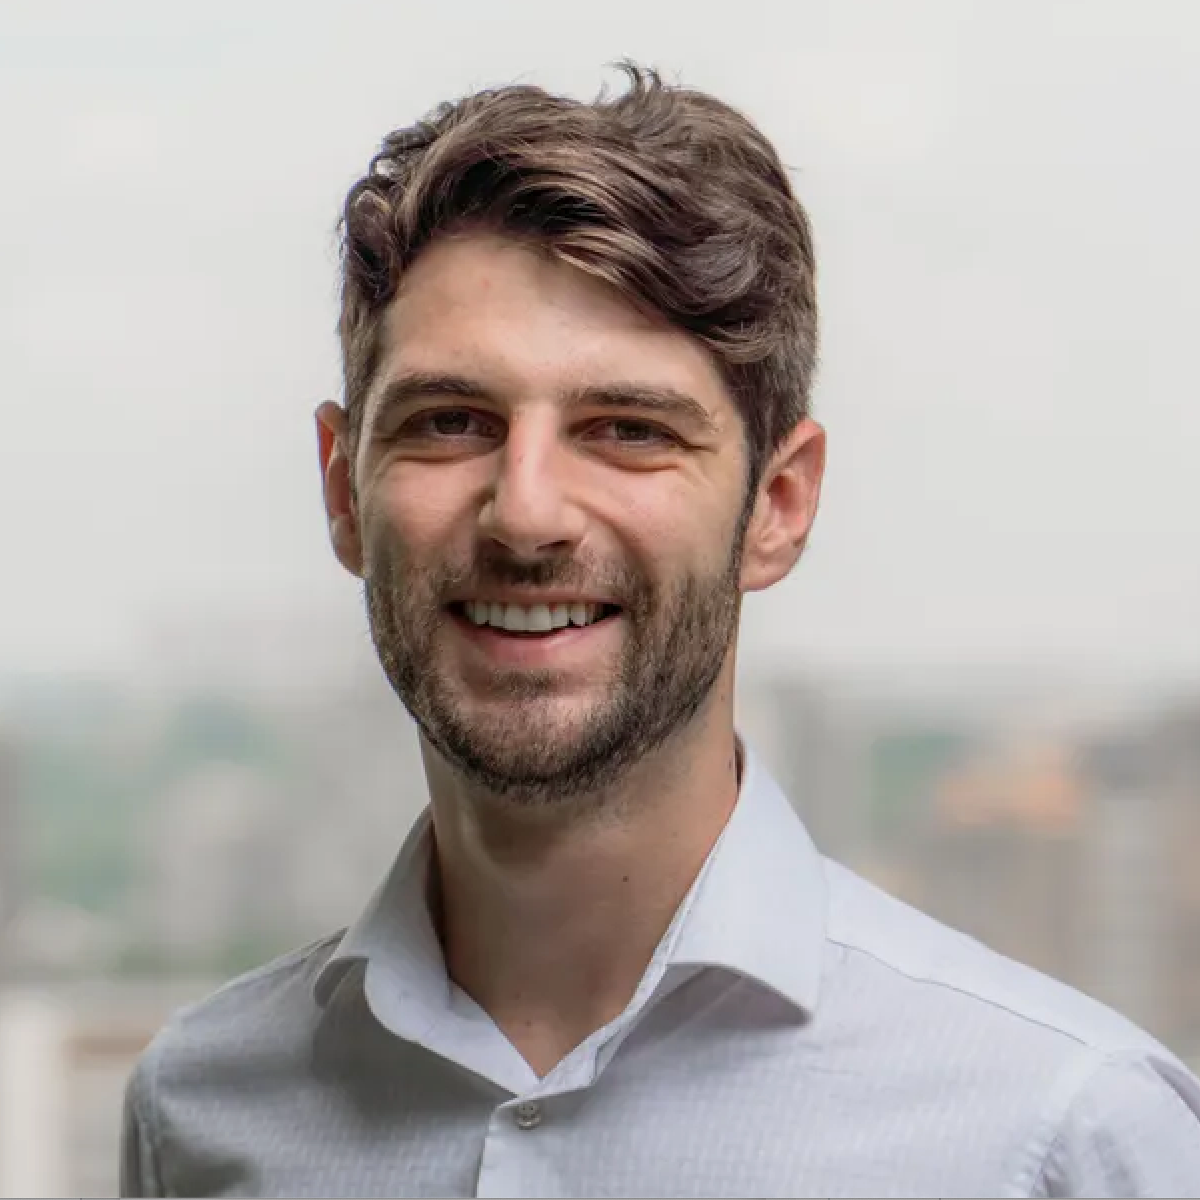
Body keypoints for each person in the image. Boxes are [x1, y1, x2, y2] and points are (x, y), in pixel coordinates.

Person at [120, 64, 1200, 1198]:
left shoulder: (1063, 1136)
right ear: (343, 490)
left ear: (776, 509)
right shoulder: (198, 1114)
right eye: (449, 422)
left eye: (628, 430)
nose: (526, 511)